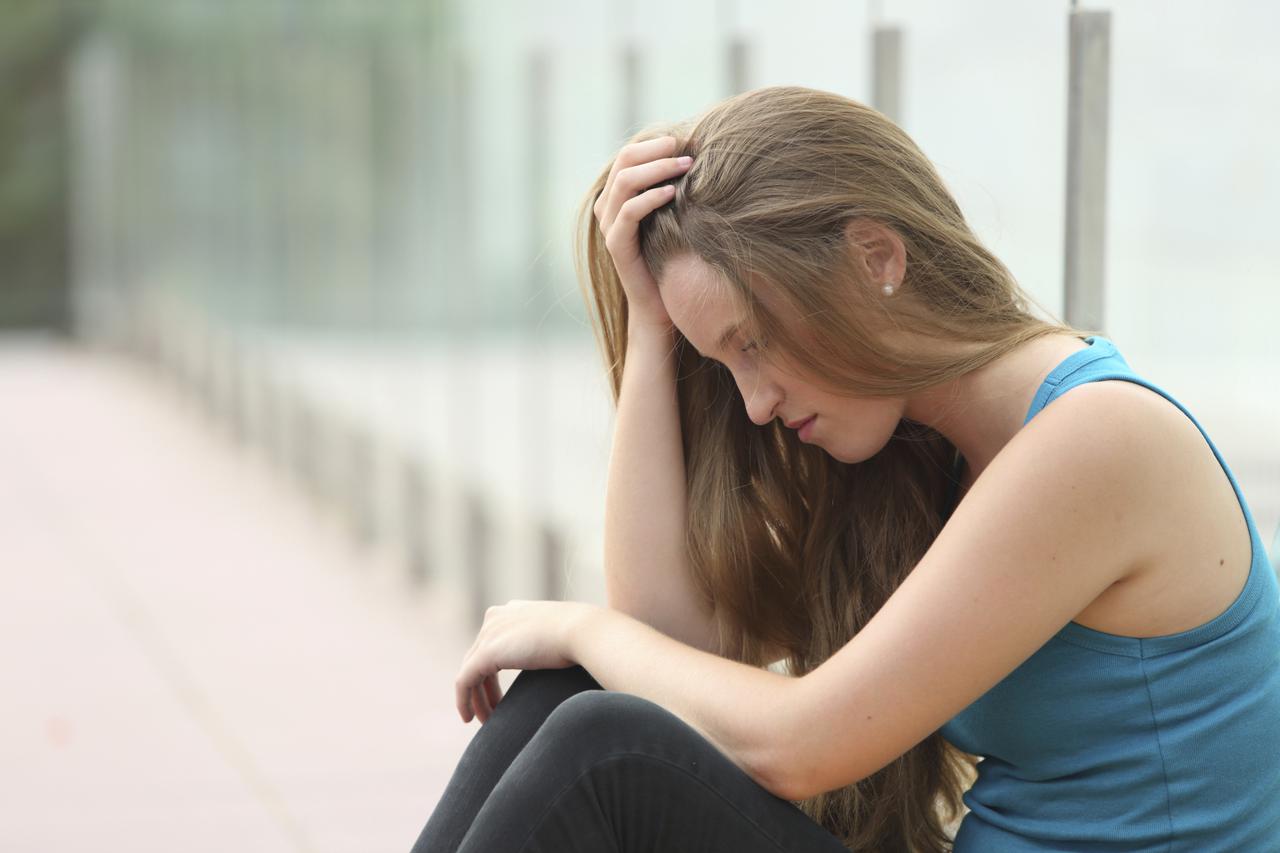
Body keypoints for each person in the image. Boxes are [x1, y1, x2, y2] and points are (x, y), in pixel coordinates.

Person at [410, 85, 1280, 852]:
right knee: (575, 697)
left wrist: (580, 627)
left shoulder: (1100, 439)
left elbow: (803, 745)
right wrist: (650, 329)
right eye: (724, 363)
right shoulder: (930, 458)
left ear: (877, 259)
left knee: (604, 744)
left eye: (752, 343)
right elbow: (666, 641)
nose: (753, 404)